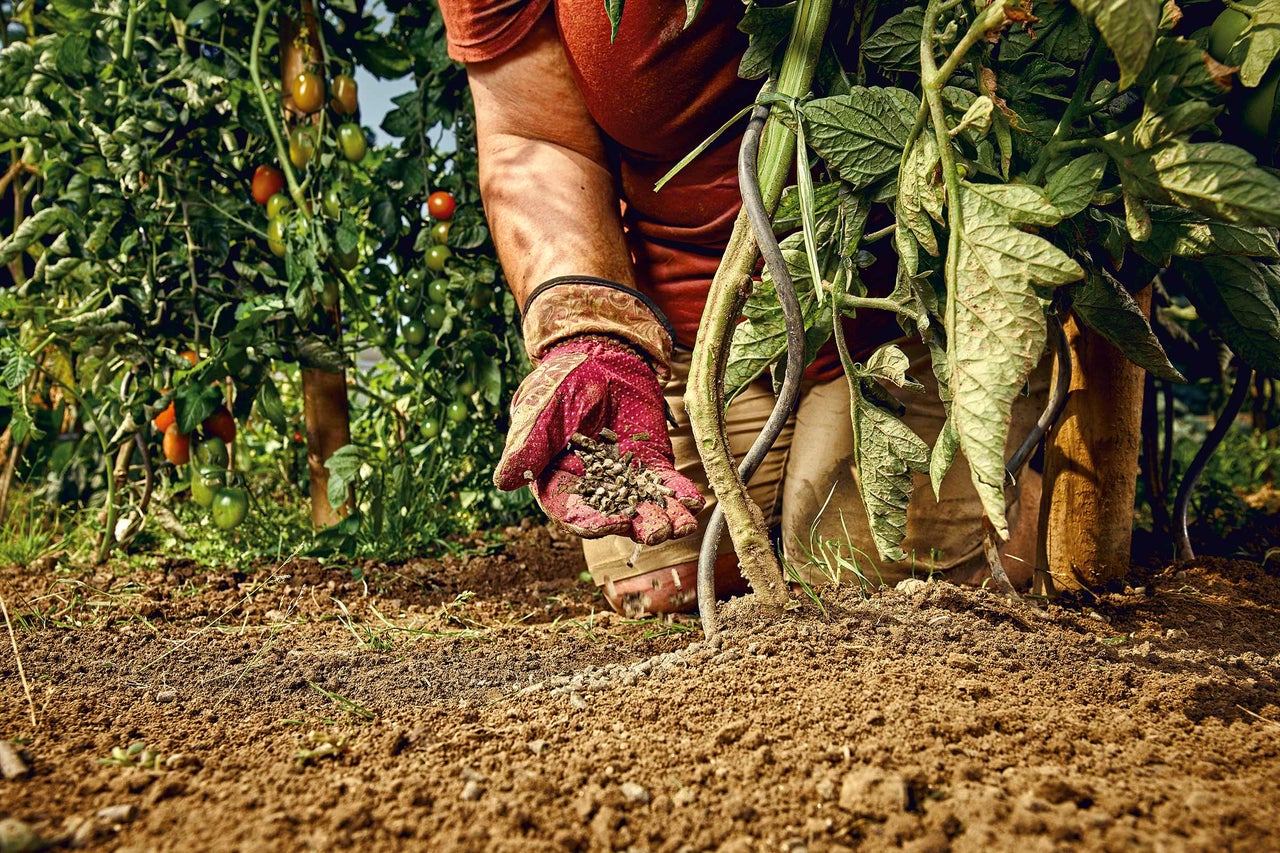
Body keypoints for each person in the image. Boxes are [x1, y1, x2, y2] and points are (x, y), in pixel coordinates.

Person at [438, 0, 1046, 615]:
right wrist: (590, 327)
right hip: (692, 322)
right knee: (661, 581)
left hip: (897, 317)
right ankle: (788, 519)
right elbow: (533, 136)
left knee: (864, 586)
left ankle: (1032, 483)